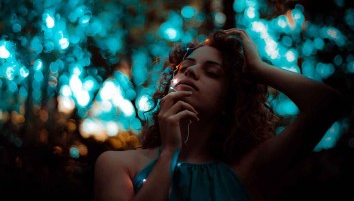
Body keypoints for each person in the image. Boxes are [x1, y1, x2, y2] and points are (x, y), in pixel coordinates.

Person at [93, 29, 350, 201]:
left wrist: (258, 69)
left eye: (212, 72)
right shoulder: (116, 165)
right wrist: (170, 152)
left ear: (230, 101)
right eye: (185, 68)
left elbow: (327, 105)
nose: (190, 73)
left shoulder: (248, 170)